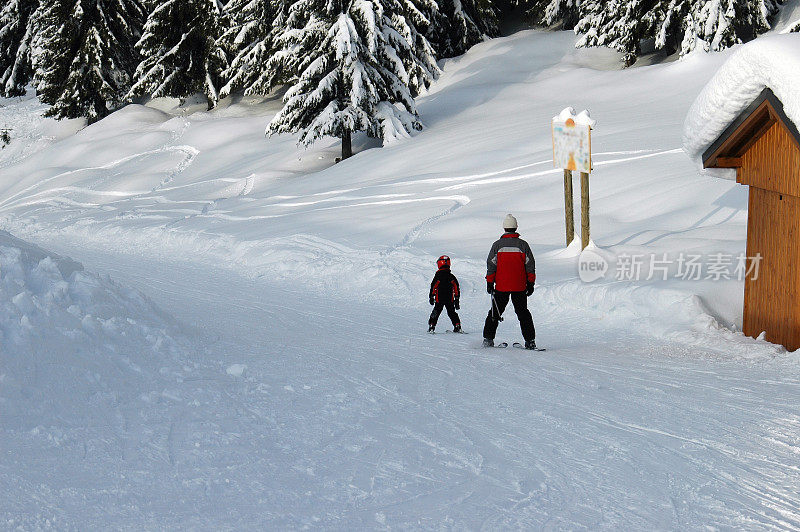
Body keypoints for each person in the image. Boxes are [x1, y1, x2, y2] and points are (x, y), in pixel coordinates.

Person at [483, 214, 537, 349]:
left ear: (504, 227)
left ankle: (488, 339)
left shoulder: (497, 245)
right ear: (516, 227)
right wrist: (530, 283)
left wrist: (490, 282)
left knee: (495, 312)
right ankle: (530, 341)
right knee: (523, 314)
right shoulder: (523, 245)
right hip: (519, 286)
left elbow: (491, 265)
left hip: (501, 286)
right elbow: (530, 266)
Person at [428, 255, 461, 333]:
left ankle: (432, 326)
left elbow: (433, 286)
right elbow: (456, 288)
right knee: (452, 312)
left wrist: (431, 296)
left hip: (439, 298)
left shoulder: (438, 276)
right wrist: (456, 299)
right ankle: (457, 325)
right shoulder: (451, 276)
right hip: (450, 298)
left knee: (436, 311)